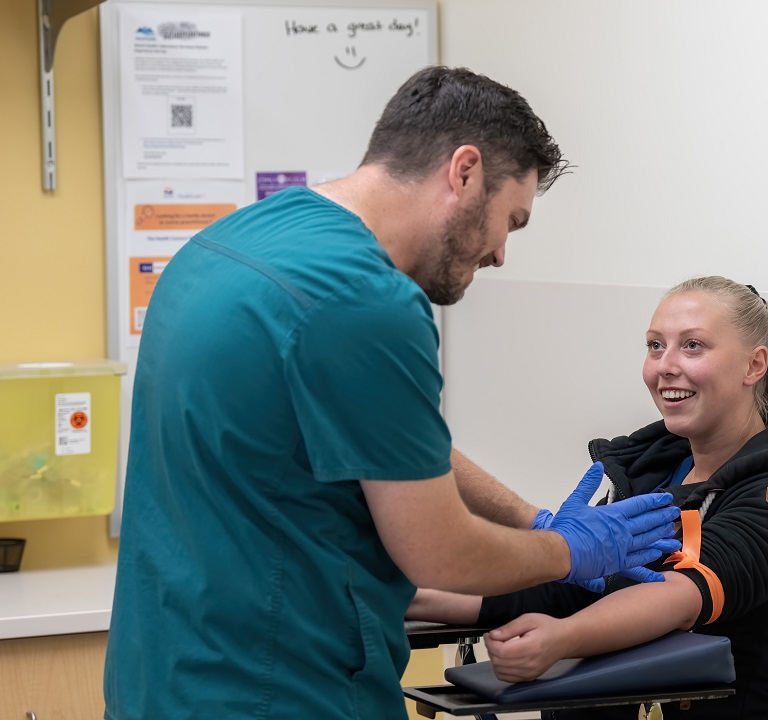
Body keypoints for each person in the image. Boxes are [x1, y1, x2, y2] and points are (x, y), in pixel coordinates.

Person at [103, 66, 681, 720]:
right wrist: (573, 550)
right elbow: (438, 550)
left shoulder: (232, 244)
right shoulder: (367, 301)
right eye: (511, 222)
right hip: (277, 690)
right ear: (463, 172)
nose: (499, 255)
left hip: (160, 676)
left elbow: (386, 441)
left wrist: (531, 517)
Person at [409, 276, 768, 719]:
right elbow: (570, 588)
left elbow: (677, 593)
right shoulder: (649, 469)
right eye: (655, 345)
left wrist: (562, 639)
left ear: (754, 365)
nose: (665, 365)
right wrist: (408, 595)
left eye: (693, 345)